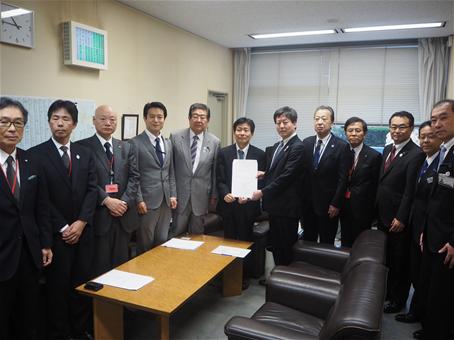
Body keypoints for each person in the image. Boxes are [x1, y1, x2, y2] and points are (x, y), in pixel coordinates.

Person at [29, 100, 97, 340]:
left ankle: (80, 330)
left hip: (83, 233)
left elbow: (92, 191)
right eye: (55, 118)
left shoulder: (84, 154)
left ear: (75, 124)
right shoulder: (35, 155)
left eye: (65, 119)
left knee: (81, 284)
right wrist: (64, 226)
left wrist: (81, 222)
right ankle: (60, 333)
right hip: (56, 236)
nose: (60, 123)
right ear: (49, 122)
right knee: (57, 289)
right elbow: (40, 198)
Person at [0, 97, 52, 340]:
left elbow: (40, 207)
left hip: (29, 255)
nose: (12, 129)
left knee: (27, 316)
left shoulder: (31, 160)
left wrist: (45, 242)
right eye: (5, 122)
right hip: (2, 255)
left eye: (18, 123)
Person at [77, 105, 140, 275]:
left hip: (123, 214)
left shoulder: (126, 147)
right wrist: (106, 200)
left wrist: (124, 202)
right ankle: (101, 301)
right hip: (99, 214)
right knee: (100, 265)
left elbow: (134, 178)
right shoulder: (82, 147)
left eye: (112, 120)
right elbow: (84, 181)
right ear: (94, 120)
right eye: (103, 118)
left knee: (122, 265)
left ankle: (120, 300)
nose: (108, 123)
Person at [395, 121, 441, 327]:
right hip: (417, 227)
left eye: (430, 136)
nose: (426, 140)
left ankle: (423, 315)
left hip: (431, 231)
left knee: (428, 277)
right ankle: (416, 311)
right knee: (417, 273)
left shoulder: (442, 164)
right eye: (422, 136)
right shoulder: (424, 160)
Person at [376, 111, 422, 314]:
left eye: (402, 126)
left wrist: (402, 217)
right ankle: (387, 293)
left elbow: (410, 190)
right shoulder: (387, 149)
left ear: (411, 129)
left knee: (399, 261)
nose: (396, 130)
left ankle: (397, 300)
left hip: (397, 219)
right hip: (383, 215)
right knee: (386, 258)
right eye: (393, 126)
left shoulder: (416, 153)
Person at [416, 100, 454, 340]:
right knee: (433, 290)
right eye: (433, 119)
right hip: (433, 232)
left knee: (444, 295)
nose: (437, 124)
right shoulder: (444, 150)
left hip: (448, 240)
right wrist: (425, 228)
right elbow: (440, 195)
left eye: (443, 117)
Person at [251, 106, 304, 266]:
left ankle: (286, 281)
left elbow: (287, 176)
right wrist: (264, 174)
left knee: (286, 247)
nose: (281, 126)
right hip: (276, 207)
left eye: (285, 122)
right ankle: (277, 279)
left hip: (287, 208)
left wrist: (262, 192)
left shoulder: (298, 147)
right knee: (276, 245)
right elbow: (276, 171)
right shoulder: (278, 146)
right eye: (278, 122)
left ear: (295, 124)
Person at [216, 117, 265, 288]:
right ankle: (228, 274)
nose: (242, 133)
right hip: (229, 205)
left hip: (248, 206)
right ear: (234, 131)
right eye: (239, 129)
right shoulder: (224, 152)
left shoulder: (260, 154)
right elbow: (220, 179)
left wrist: (250, 195)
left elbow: (261, 182)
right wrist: (225, 194)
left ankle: (244, 275)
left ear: (251, 133)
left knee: (245, 239)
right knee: (229, 239)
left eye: (246, 130)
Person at [129, 102, 176, 252]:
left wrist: (173, 194)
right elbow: (133, 175)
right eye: (152, 117)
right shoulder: (135, 143)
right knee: (145, 241)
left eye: (160, 117)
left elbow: (171, 172)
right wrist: (139, 199)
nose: (156, 120)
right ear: (145, 118)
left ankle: (159, 273)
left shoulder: (168, 143)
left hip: (166, 200)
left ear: (164, 119)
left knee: (162, 240)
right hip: (147, 202)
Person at [301, 105, 351, 245]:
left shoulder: (341, 146)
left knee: (326, 242)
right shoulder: (307, 143)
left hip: (328, 205)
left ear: (332, 123)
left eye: (324, 118)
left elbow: (343, 179)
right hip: (308, 204)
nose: (320, 122)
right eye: (317, 119)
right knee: (307, 241)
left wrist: (336, 203)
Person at [170, 103, 220, 236]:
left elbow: (214, 172)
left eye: (203, 117)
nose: (199, 120)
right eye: (195, 116)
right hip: (180, 196)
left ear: (208, 120)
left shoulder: (215, 142)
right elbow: (171, 169)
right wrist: (172, 193)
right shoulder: (175, 137)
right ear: (189, 118)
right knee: (176, 234)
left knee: (197, 236)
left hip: (202, 196)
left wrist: (214, 195)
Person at [339, 117, 382, 247]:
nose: (353, 133)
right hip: (343, 206)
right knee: (345, 240)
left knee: (361, 242)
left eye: (357, 130)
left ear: (365, 133)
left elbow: (375, 185)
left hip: (363, 209)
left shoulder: (374, 156)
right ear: (345, 132)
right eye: (350, 130)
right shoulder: (341, 151)